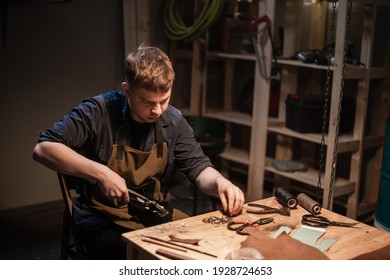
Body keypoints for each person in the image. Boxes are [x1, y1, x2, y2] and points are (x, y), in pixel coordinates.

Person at [33, 43, 245, 259]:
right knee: (149, 257)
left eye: (164, 100)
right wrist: (102, 173)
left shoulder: (173, 120)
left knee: (203, 246)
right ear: (127, 90)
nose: (157, 110)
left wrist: (221, 182)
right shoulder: (98, 111)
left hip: (150, 210)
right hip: (100, 214)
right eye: (147, 102)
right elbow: (44, 149)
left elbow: (198, 168)